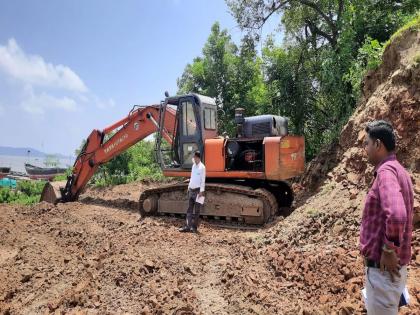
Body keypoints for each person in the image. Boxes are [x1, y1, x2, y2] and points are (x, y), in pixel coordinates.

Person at [360, 120, 414, 315]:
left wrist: (388, 249)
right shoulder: (399, 170)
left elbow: (398, 216)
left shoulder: (386, 173)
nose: (365, 148)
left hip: (383, 271)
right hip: (391, 272)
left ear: (378, 145)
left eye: (367, 143)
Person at [179, 150, 206, 233]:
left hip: (198, 192)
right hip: (191, 190)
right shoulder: (193, 166)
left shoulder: (202, 167)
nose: (192, 158)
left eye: (194, 157)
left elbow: (203, 180)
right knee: (189, 210)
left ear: (197, 157)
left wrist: (202, 191)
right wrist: (188, 187)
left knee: (197, 211)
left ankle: (194, 228)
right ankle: (188, 226)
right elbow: (192, 177)